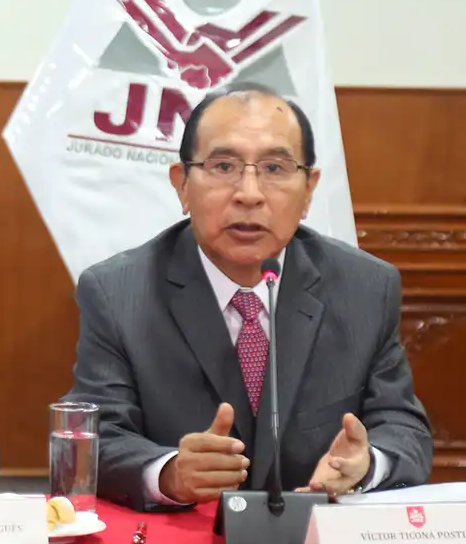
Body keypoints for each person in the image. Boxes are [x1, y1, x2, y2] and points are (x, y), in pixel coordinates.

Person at [64, 83, 432, 512]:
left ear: (309, 189)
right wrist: (168, 472)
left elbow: (402, 426)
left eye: (275, 168)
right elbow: (97, 434)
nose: (250, 193)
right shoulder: (118, 291)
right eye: (223, 166)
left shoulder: (365, 287)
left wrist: (367, 464)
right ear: (182, 184)